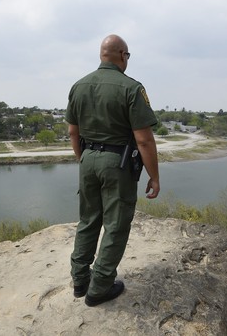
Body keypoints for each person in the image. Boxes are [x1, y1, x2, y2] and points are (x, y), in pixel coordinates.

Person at [66, 34, 160, 307]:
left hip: (88, 159)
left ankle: (80, 280)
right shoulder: (131, 88)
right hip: (116, 162)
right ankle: (100, 287)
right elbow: (143, 139)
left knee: (88, 220)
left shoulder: (79, 85)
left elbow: (73, 132)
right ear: (122, 55)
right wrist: (154, 176)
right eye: (127, 56)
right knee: (116, 225)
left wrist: (84, 159)